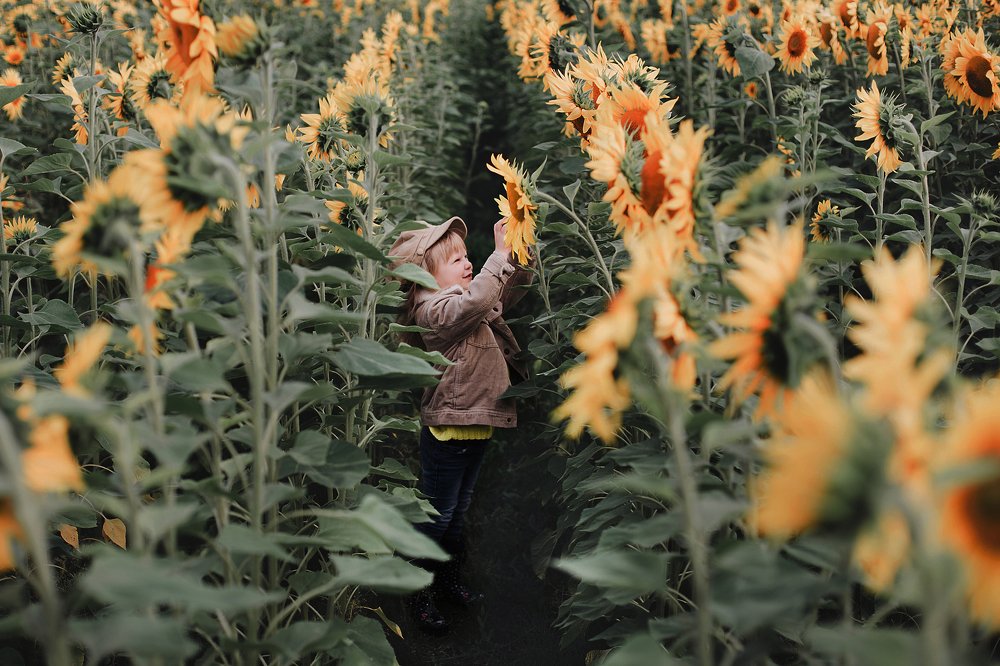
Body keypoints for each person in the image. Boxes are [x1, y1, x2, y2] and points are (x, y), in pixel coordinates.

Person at [388, 216, 533, 632]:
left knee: (456, 512)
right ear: (424, 278)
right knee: (438, 515)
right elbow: (475, 302)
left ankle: (448, 577)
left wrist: (518, 251)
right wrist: (498, 255)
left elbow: (504, 291)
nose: (468, 264)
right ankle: (420, 589)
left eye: (468, 257)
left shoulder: (466, 298)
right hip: (447, 434)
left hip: (475, 427)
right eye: (456, 260)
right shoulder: (435, 310)